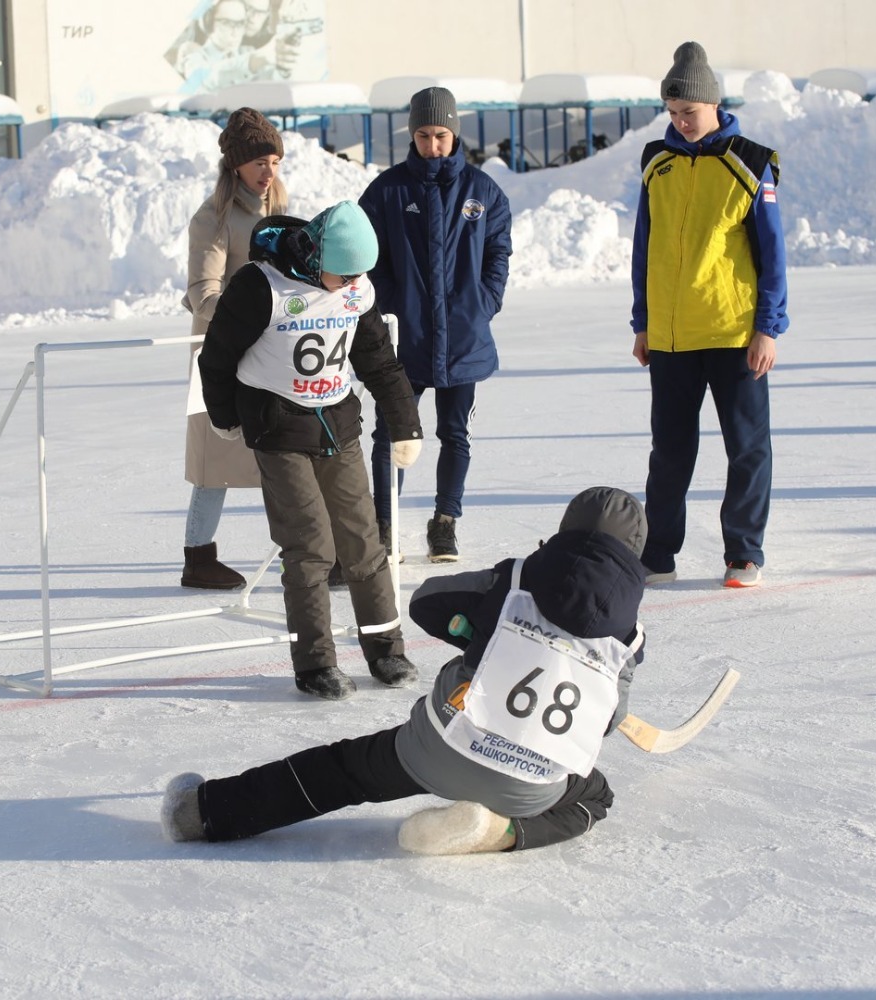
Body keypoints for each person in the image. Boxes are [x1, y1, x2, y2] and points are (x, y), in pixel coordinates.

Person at [159, 487, 647, 854]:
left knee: (341, 771)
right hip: (531, 783)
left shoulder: (516, 578)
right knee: (596, 796)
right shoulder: (630, 640)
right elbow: (605, 719)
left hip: (443, 742)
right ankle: (502, 832)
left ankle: (202, 813)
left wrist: (477, 633)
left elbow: (428, 602)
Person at [197, 201, 425, 701]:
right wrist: (226, 417)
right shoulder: (262, 286)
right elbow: (216, 356)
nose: (350, 284)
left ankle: (386, 649)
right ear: (315, 256)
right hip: (278, 430)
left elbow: (378, 362)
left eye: (357, 275)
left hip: (337, 425)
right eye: (342, 274)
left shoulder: (355, 288)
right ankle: (315, 662)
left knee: (364, 541)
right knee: (311, 546)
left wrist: (406, 423)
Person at [630, 42, 788, 589]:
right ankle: (658, 554)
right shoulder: (657, 162)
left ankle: (743, 552)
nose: (680, 122)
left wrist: (768, 326)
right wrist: (643, 321)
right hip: (672, 337)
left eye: (689, 113)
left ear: (713, 104)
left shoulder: (750, 161)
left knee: (746, 447)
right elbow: (643, 248)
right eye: (672, 113)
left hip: (732, 333)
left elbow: (773, 254)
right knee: (669, 452)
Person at [359, 86, 513, 564]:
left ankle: (445, 522)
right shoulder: (388, 191)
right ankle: (385, 526)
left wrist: (484, 302)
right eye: (423, 135)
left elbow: (497, 252)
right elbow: (366, 256)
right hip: (405, 341)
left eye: (441, 135)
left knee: (454, 433)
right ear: (412, 134)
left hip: (463, 338)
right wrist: (388, 305)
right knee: (392, 435)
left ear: (455, 134)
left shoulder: (483, 192)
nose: (433, 145)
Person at [178, 108, 288, 590]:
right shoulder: (214, 218)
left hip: (273, 349)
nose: (270, 173)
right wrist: (249, 315)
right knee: (215, 461)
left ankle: (300, 552)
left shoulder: (278, 208)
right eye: (261, 163)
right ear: (237, 166)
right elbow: (204, 292)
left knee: (285, 450)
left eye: (276, 162)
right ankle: (199, 559)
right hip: (223, 352)